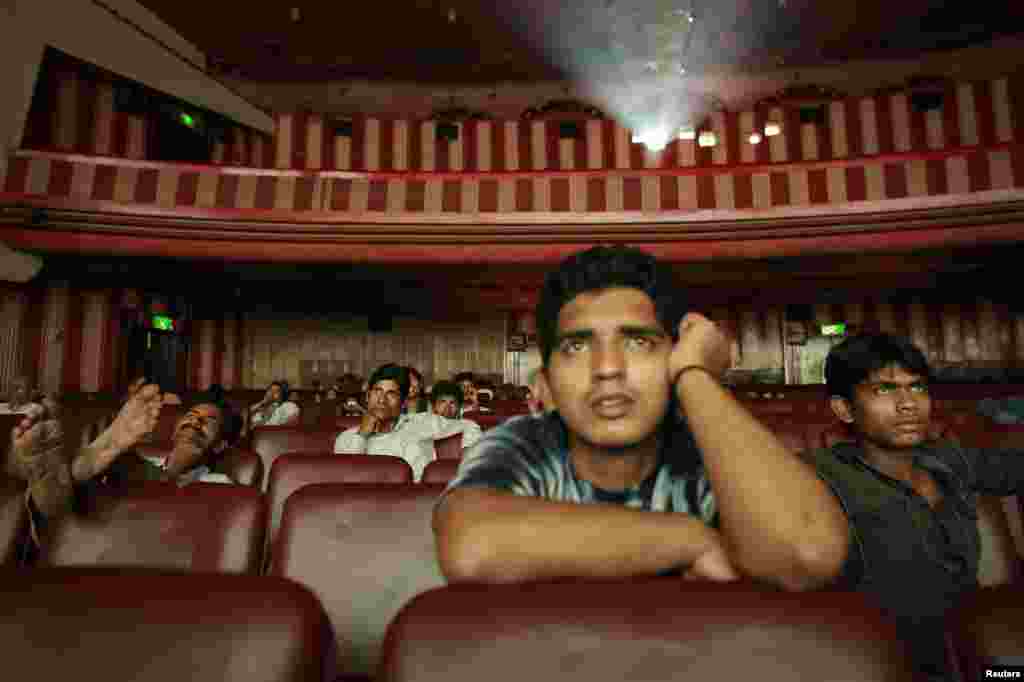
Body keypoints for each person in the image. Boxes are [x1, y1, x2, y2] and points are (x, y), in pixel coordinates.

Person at [433, 245, 849, 589]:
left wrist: (696, 376)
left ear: (674, 355)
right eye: (577, 347)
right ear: (547, 382)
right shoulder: (523, 443)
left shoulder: (711, 450)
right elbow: (470, 544)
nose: (608, 367)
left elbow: (809, 555)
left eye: (638, 342)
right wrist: (690, 539)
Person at [807, 333, 1024, 682]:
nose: (908, 403)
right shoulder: (819, 474)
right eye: (884, 390)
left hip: (981, 662)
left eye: (917, 387)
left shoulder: (947, 459)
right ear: (843, 409)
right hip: (883, 667)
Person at [335, 364, 482, 481]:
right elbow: (346, 482)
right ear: (367, 396)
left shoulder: (423, 422)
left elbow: (469, 425)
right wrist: (362, 435)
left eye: (391, 393)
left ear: (404, 402)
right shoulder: (347, 439)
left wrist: (469, 452)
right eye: (377, 391)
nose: (381, 400)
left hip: (416, 507)